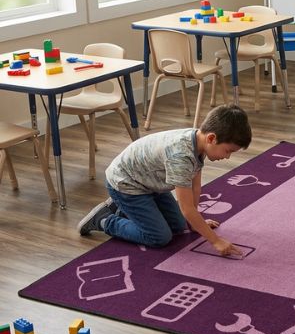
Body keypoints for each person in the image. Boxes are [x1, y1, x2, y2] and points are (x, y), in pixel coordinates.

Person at [77, 103, 252, 255]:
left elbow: (194, 187)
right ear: (212, 138)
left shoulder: (198, 142)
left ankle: (123, 208)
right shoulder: (181, 157)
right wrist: (215, 240)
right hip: (126, 184)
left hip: (150, 183)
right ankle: (105, 220)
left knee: (179, 226)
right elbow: (186, 209)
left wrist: (195, 221)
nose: (227, 157)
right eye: (228, 151)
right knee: (159, 237)